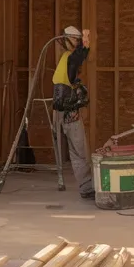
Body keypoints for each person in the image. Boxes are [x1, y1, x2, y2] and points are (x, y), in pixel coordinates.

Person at [52, 26, 93, 198]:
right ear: (68, 40)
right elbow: (81, 54)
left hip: (60, 113)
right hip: (70, 114)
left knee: (76, 151)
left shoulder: (63, 59)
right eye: (74, 40)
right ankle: (87, 188)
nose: (77, 44)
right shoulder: (69, 59)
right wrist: (85, 39)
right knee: (79, 151)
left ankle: (86, 186)